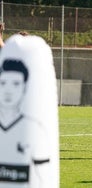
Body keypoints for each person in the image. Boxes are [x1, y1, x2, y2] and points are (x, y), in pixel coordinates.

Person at [0, 59, 50, 187]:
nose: (9, 90)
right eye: (3, 83)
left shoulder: (35, 129)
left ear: (25, 87)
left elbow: (43, 175)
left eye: (16, 84)